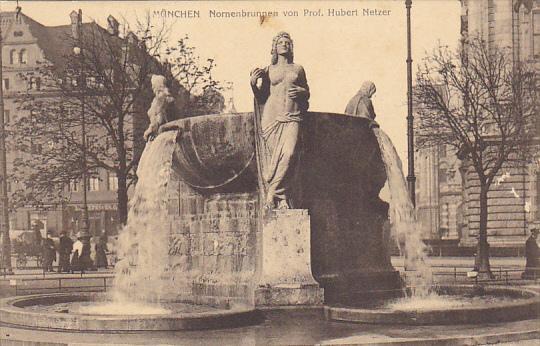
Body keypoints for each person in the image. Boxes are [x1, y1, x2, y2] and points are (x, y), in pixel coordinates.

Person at [250, 31, 310, 209]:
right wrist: (253, 84)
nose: (284, 44)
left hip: (292, 116)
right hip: (271, 117)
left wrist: (302, 92)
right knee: (275, 159)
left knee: (289, 154)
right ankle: (281, 197)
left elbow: (307, 93)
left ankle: (272, 192)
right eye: (281, 42)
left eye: (287, 42)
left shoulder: (298, 69)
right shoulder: (269, 70)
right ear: (274, 47)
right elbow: (261, 97)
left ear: (291, 46)